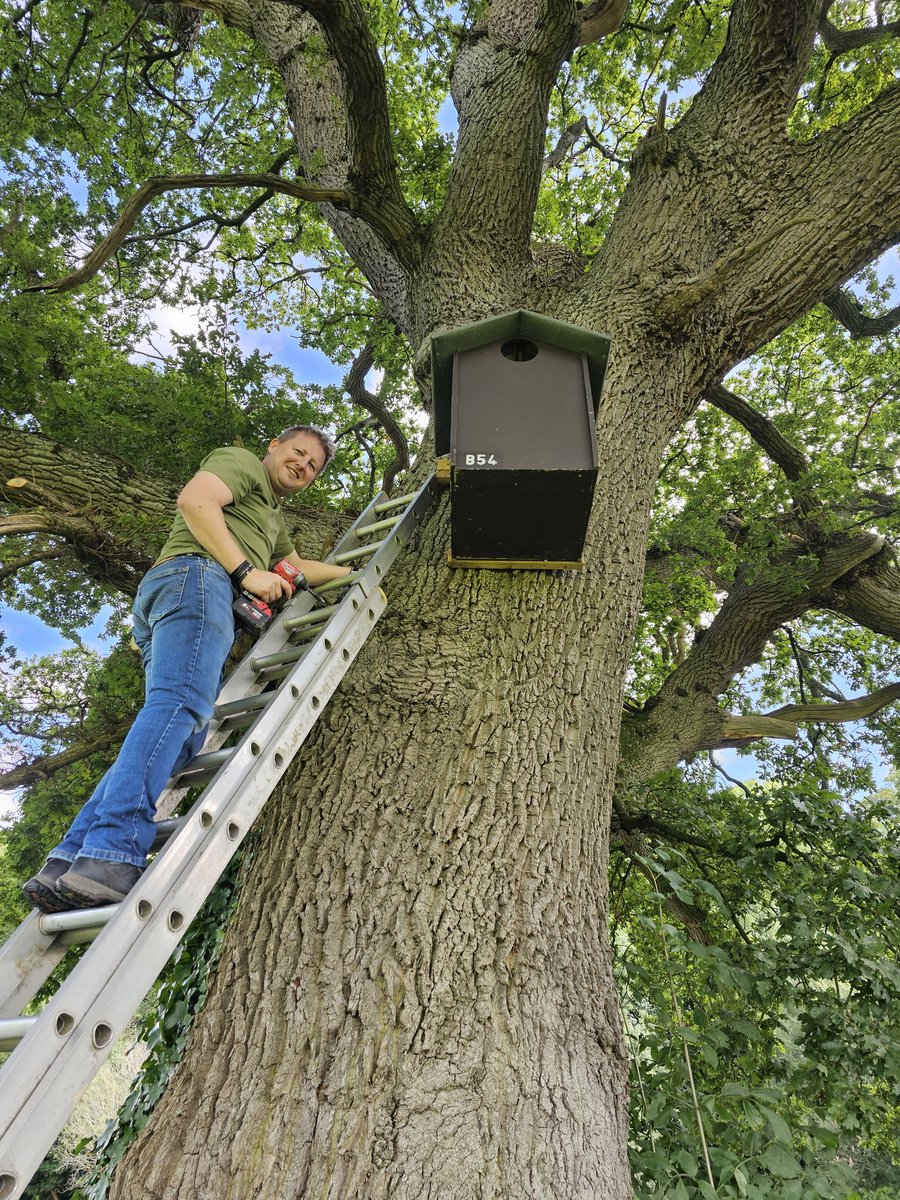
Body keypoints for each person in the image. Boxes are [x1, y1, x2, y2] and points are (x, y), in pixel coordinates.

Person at [23, 425, 351, 912]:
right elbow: (195, 501)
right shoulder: (241, 463)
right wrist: (246, 573)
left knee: (179, 729)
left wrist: (351, 573)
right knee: (180, 707)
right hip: (198, 577)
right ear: (274, 447)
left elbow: (296, 564)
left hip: (182, 590)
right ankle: (112, 852)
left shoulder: (272, 519)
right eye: (298, 452)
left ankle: (71, 860)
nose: (303, 465)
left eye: (313, 466)